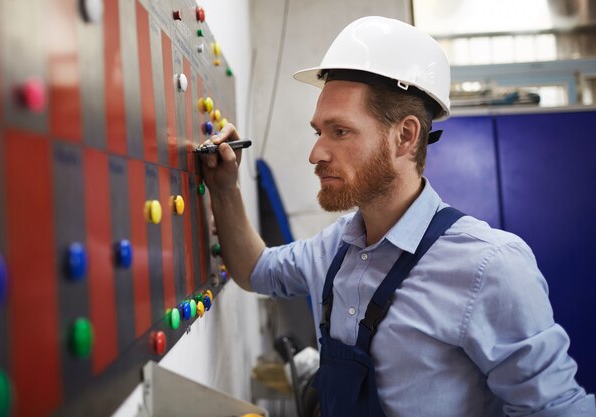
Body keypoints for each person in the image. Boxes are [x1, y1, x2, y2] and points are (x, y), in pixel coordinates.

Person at [199, 16, 596, 417]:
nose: (316, 154)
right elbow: (254, 269)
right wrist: (225, 188)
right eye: (318, 131)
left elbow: (555, 409)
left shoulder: (489, 266)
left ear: (405, 136)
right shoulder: (335, 248)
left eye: (340, 132)